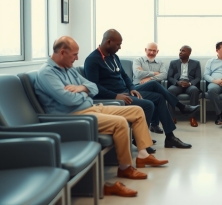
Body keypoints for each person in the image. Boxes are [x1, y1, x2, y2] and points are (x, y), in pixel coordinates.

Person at [34, 36, 168, 197]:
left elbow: (93, 87)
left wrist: (81, 88)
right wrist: (85, 92)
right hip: (73, 116)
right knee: (120, 123)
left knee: (136, 110)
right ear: (62, 52)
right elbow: (68, 99)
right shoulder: (46, 74)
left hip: (91, 107)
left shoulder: (68, 68)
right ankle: (125, 168)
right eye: (74, 54)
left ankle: (143, 155)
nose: (77, 58)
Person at [84, 29, 199, 149]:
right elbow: (94, 87)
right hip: (115, 97)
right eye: (118, 44)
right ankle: (140, 139)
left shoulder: (113, 57)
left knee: (155, 88)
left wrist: (132, 88)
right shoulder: (92, 60)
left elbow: (124, 76)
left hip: (127, 92)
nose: (120, 47)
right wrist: (115, 96)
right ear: (108, 42)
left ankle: (170, 135)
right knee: (149, 104)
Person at [132, 42, 167, 133]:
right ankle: (179, 105)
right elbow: (138, 74)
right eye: (150, 50)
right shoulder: (138, 60)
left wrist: (149, 78)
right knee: (158, 94)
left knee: (158, 95)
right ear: (145, 50)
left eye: (154, 51)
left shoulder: (160, 63)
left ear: (157, 52)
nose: (151, 53)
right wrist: (154, 73)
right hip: (138, 87)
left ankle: (154, 126)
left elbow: (164, 75)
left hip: (152, 88)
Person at [167, 45, 201, 127]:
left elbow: (198, 77)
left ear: (189, 53)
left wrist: (190, 83)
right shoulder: (173, 63)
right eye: (180, 50)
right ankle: (172, 117)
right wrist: (177, 82)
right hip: (177, 84)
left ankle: (192, 117)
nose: (180, 52)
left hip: (189, 84)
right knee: (170, 90)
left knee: (194, 90)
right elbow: (169, 77)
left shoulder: (196, 63)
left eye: (183, 51)